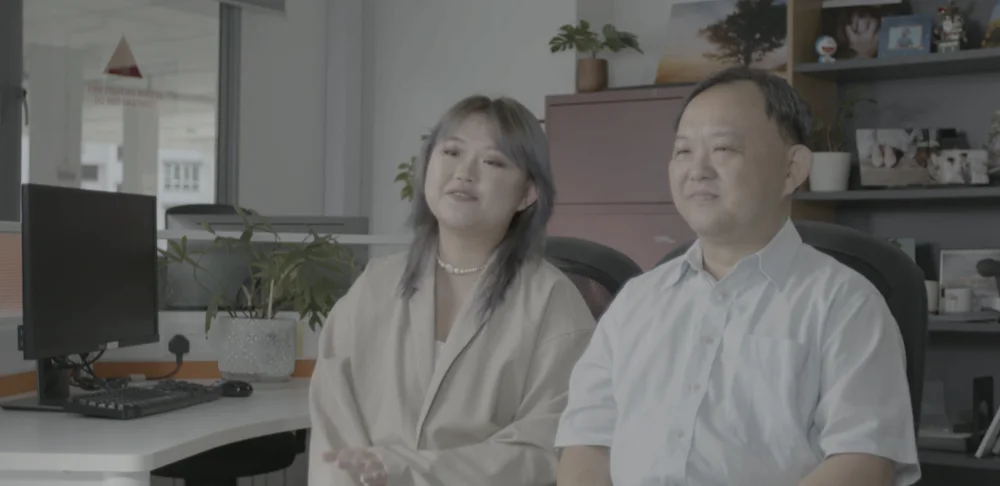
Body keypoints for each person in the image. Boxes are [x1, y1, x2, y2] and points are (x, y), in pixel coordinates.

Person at [554, 67, 920, 486]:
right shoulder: (637, 300)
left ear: (792, 168)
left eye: (723, 148)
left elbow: (863, 462)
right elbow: (587, 442)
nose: (697, 170)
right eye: (683, 151)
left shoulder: (845, 302)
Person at [308, 95, 596, 486]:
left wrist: (406, 470)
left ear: (527, 193)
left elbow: (545, 452)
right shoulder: (374, 285)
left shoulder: (554, 303)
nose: (464, 172)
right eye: (451, 152)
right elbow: (333, 425)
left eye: (492, 161)